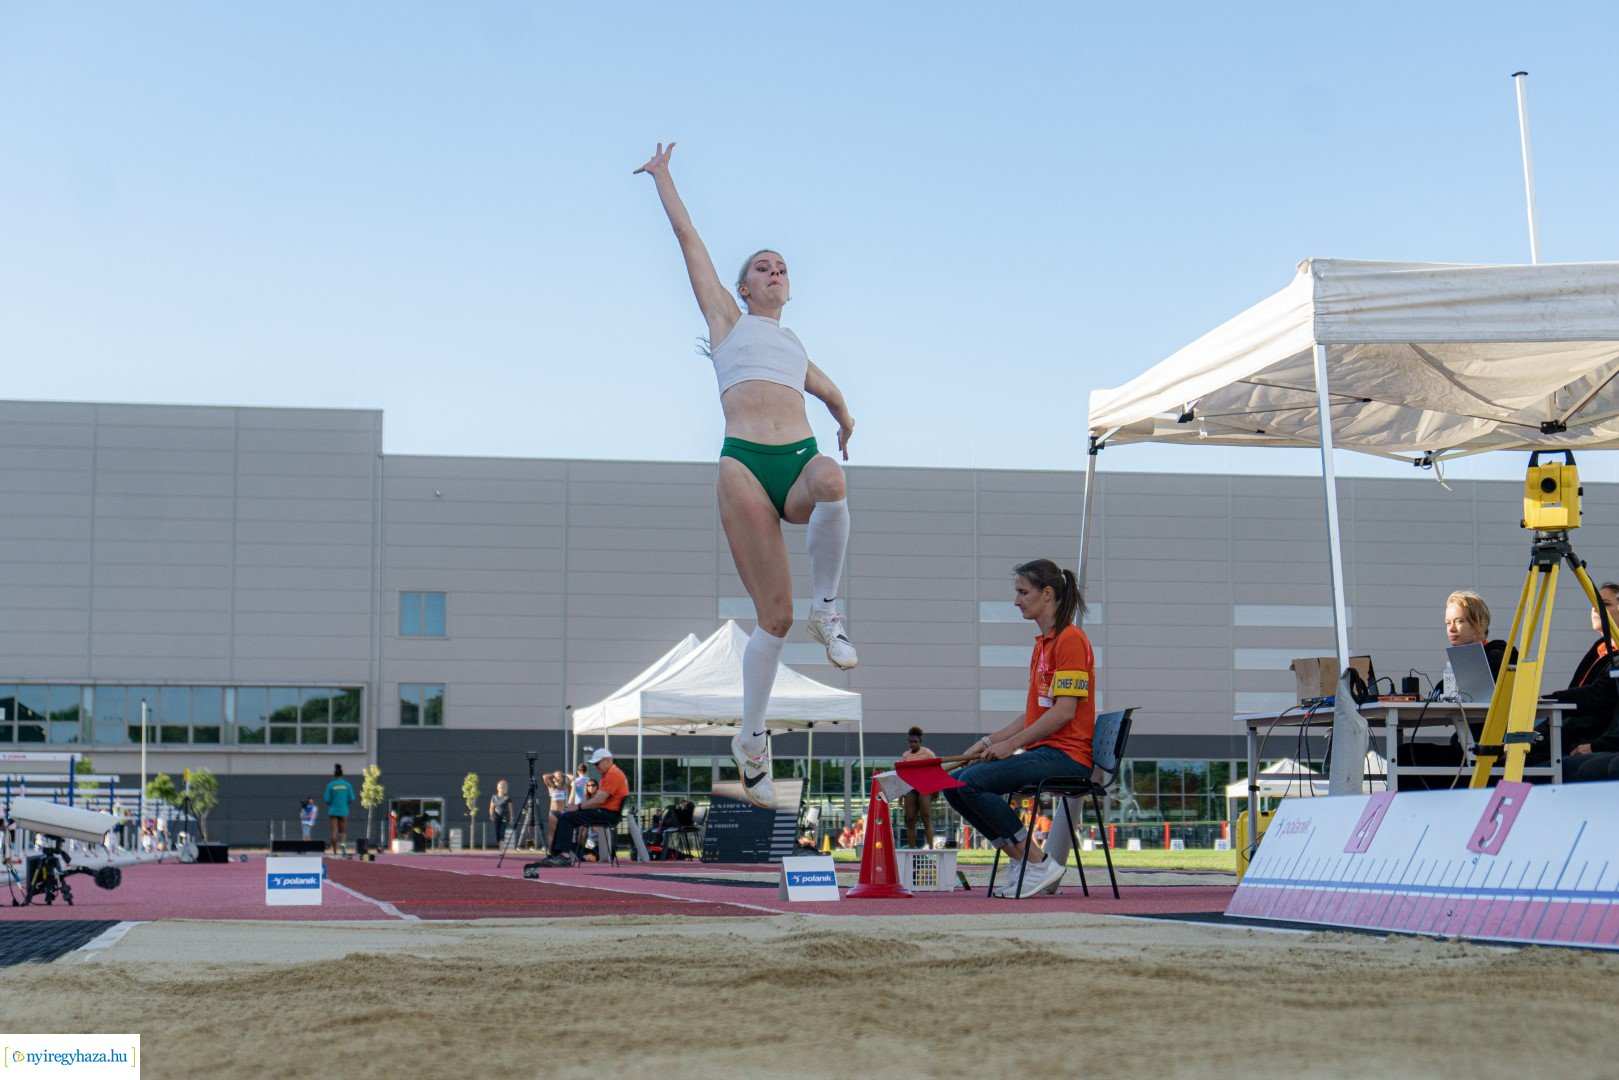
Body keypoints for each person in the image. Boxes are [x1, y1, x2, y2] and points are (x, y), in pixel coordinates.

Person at [637, 142, 858, 810]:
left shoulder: (793, 345)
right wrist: (664, 178)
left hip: (796, 463)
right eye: (761, 267)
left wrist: (846, 419)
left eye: (781, 267)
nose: (773, 271)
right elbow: (688, 238)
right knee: (773, 617)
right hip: (743, 464)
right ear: (742, 287)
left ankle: (831, 608)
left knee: (832, 481)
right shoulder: (727, 321)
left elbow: (826, 389)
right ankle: (753, 735)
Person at [943, 559, 1095, 899]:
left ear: (1047, 594)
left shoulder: (1071, 640)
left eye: (1022, 592)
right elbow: (1033, 715)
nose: (1016, 601)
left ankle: (1036, 862)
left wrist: (1011, 745)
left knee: (971, 784)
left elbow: (1064, 712)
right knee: (953, 784)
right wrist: (987, 742)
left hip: (1068, 756)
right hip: (1047, 752)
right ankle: (1024, 862)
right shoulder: (1043, 644)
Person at [540, 748, 629, 867]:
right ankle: (557, 854)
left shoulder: (613, 774)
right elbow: (600, 799)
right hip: (605, 811)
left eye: (598, 764)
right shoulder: (610, 774)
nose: (596, 767)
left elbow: (600, 799)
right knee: (566, 817)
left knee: (567, 818)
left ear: (608, 760)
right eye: (594, 765)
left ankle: (563, 856)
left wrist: (578, 807)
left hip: (607, 813)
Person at [897, 726, 938, 849]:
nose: (913, 744)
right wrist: (901, 794)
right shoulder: (906, 755)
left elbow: (936, 769)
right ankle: (911, 849)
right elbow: (902, 775)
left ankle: (931, 848)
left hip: (924, 787)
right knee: (909, 819)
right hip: (910, 788)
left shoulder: (927, 753)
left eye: (916, 742)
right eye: (911, 741)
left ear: (920, 742)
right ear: (908, 741)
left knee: (926, 818)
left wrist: (936, 789)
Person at [323, 764, 357, 856]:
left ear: (334, 775)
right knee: (343, 831)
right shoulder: (347, 785)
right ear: (342, 775)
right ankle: (342, 845)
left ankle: (334, 851)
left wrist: (332, 803)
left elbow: (326, 799)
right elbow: (352, 798)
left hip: (333, 811)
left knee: (334, 831)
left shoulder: (330, 785)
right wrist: (345, 804)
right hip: (343, 811)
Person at [488, 779, 512, 849]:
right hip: (497, 816)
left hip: (504, 816)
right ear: (498, 788)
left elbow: (510, 808)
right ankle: (499, 845)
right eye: (500, 788)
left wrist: (511, 818)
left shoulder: (507, 798)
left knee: (502, 830)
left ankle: (501, 848)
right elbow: (492, 807)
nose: (501, 789)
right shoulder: (494, 797)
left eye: (503, 788)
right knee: (497, 831)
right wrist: (491, 815)